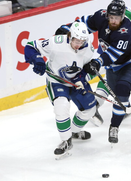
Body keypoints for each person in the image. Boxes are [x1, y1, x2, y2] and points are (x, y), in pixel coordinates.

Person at [56, 0, 131, 144]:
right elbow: (83, 24)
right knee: (116, 94)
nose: (113, 20)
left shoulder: (127, 31)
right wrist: (67, 28)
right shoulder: (101, 16)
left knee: (122, 89)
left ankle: (114, 127)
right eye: (111, 17)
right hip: (113, 66)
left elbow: (112, 55)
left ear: (122, 16)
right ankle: (119, 106)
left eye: (117, 18)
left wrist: (97, 62)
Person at [24, 22, 100, 158]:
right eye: (76, 40)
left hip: (76, 83)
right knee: (61, 106)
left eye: (82, 41)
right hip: (56, 81)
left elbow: (91, 68)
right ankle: (66, 140)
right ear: (70, 36)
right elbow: (30, 46)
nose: (79, 44)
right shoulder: (56, 42)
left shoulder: (89, 49)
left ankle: (75, 132)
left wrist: (83, 77)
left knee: (90, 109)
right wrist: (37, 60)